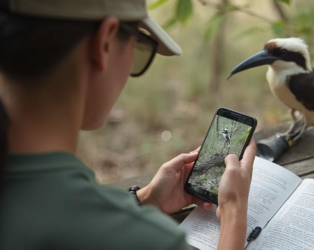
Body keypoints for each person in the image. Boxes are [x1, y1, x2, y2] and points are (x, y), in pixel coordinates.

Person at [0, 0, 256, 249]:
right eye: (138, 45)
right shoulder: (149, 240)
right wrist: (233, 212)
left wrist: (145, 200)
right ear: (105, 43)